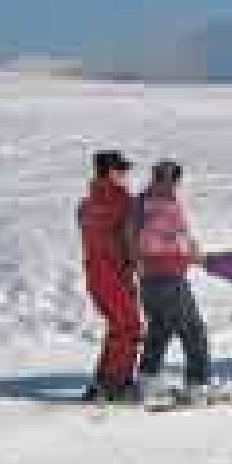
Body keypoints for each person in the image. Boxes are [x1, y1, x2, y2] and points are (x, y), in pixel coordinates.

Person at [133, 160, 213, 404]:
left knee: (161, 327)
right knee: (194, 331)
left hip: (149, 278)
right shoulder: (159, 204)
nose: (175, 183)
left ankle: (148, 379)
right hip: (166, 276)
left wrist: (192, 250)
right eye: (173, 178)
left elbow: (178, 235)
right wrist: (184, 252)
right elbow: (151, 241)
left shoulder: (143, 201)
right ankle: (198, 385)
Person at [78, 150, 141, 401]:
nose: (126, 175)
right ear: (111, 172)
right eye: (122, 170)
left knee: (119, 327)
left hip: (95, 273)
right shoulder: (123, 203)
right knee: (129, 327)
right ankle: (116, 385)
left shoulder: (86, 204)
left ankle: (103, 384)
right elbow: (132, 241)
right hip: (114, 273)